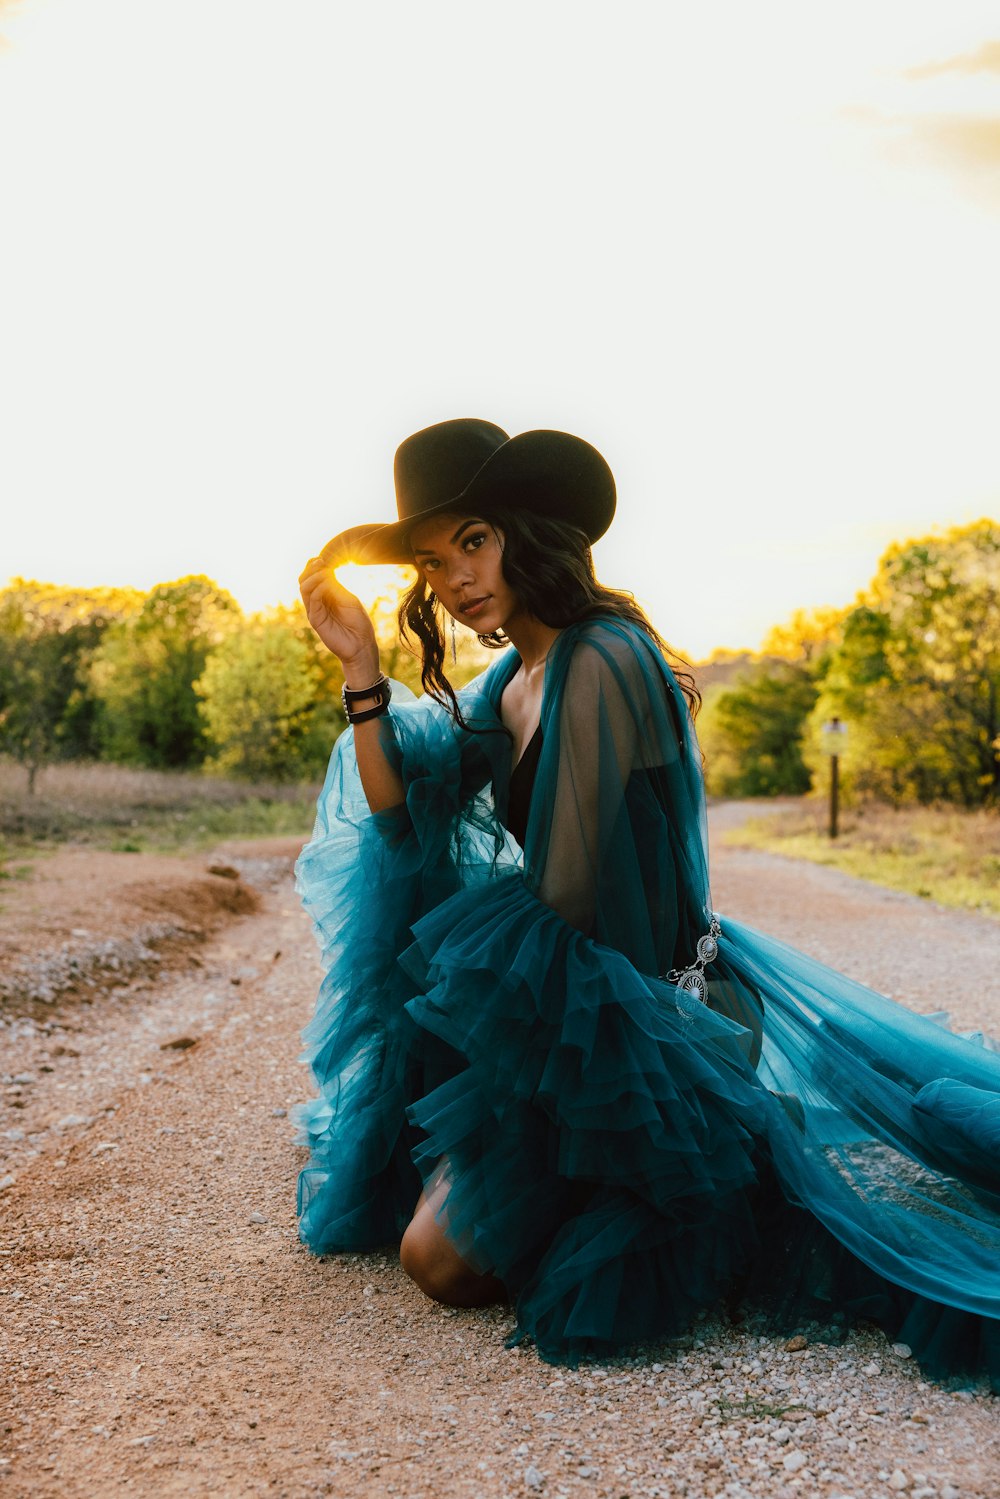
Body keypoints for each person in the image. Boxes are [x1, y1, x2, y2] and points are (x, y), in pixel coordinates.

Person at [294, 418, 1000, 1385]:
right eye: (431, 560)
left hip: (656, 1020)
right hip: (578, 1009)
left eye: (474, 539)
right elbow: (401, 813)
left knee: (440, 1258)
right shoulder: (516, 674)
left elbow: (571, 897)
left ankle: (705, 1170)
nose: (455, 579)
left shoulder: (605, 659)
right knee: (428, 1228)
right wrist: (361, 674)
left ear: (530, 530)